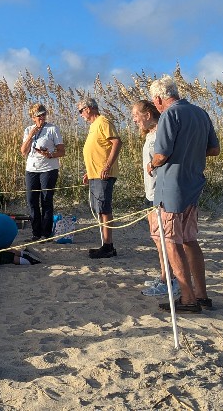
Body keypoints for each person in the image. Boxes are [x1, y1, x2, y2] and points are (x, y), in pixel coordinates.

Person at [149, 75, 221, 314]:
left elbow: (162, 153)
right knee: (190, 239)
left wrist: (152, 164)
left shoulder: (170, 115)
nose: (155, 106)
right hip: (193, 184)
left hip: (172, 187)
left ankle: (187, 298)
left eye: (155, 101)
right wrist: (192, 152)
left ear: (159, 98)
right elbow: (214, 149)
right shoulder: (201, 113)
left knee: (170, 241)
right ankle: (201, 294)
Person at [131, 100, 177, 297]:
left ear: (148, 114)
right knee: (157, 238)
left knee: (164, 239)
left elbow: (164, 157)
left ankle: (169, 280)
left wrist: (153, 165)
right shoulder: (150, 134)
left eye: (136, 115)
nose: (134, 120)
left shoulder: (160, 132)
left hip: (161, 193)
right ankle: (164, 276)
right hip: (151, 192)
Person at [78, 97, 122, 259]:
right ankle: (105, 244)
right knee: (99, 209)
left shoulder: (103, 121)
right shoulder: (93, 126)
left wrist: (107, 166)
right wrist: (89, 172)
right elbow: (97, 150)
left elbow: (117, 142)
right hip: (95, 174)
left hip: (104, 174)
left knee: (104, 209)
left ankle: (108, 246)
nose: (80, 114)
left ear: (88, 108)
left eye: (80, 111)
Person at [20, 103, 65, 240]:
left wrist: (50, 154)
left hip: (48, 169)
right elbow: (23, 152)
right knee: (32, 201)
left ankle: (46, 233)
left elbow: (62, 151)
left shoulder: (52, 129)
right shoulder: (28, 130)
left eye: (44, 114)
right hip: (31, 169)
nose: (42, 118)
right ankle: (36, 233)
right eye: (39, 116)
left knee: (46, 199)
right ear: (33, 117)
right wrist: (30, 136)